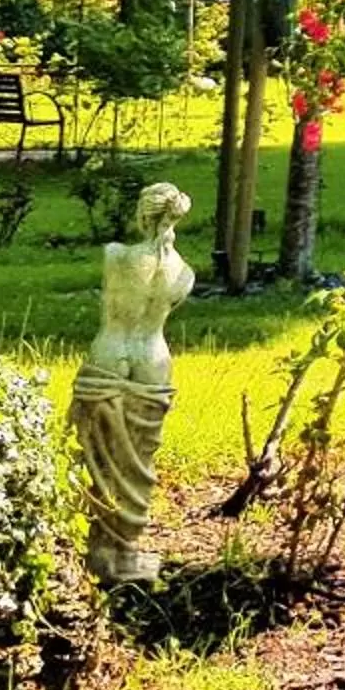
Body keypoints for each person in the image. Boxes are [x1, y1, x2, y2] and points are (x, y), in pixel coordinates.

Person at [71, 182, 195, 583]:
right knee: (138, 461)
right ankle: (124, 553)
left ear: (143, 214)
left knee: (104, 463)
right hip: (154, 361)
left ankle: (102, 552)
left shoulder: (116, 256)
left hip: (110, 354)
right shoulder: (184, 273)